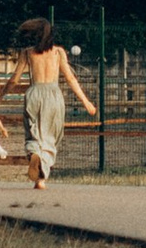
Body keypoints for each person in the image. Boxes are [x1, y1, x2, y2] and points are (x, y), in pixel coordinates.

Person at [7, 18, 95, 188]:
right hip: (54, 95)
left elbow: (14, 79)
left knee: (33, 132)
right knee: (52, 135)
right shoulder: (58, 52)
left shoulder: (27, 53)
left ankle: (34, 153)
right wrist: (86, 102)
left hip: (34, 94)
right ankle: (41, 178)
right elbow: (70, 78)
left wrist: (1, 96)